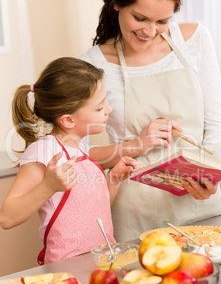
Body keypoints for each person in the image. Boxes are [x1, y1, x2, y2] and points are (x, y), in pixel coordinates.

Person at [79, 0, 221, 241]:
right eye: (140, 18)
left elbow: (219, 125)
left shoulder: (195, 40)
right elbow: (77, 155)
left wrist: (210, 177)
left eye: (162, 21)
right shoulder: (92, 65)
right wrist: (135, 145)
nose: (149, 32)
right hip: (136, 219)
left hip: (200, 205)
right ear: (117, 5)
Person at [0, 57, 139, 264]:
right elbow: (7, 217)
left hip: (100, 261)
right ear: (68, 120)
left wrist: (114, 180)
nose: (108, 109)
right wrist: (48, 186)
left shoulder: (80, 151)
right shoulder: (44, 151)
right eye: (100, 106)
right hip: (66, 268)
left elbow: (91, 213)